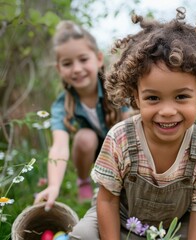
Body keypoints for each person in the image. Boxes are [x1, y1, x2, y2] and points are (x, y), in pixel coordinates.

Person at [69, 7, 196, 240]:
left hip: (174, 228)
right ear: (136, 97)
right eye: (153, 98)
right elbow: (107, 200)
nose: (167, 111)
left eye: (181, 97)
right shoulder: (120, 138)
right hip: (120, 221)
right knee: (82, 235)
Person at [34, 20, 130, 210]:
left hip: (121, 145)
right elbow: (59, 148)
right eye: (67, 63)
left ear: (99, 59)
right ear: (59, 69)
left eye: (83, 59)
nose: (77, 69)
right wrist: (53, 185)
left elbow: (130, 127)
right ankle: (84, 181)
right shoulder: (62, 105)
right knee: (84, 137)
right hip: (94, 152)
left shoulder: (115, 89)